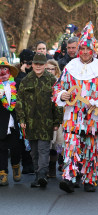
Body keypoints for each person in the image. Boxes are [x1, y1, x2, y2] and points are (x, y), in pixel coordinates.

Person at [52, 21, 98, 193]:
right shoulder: (70, 67)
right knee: (71, 146)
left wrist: (97, 102)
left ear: (93, 50)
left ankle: (89, 179)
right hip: (72, 115)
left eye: (88, 49)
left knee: (91, 148)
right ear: (78, 50)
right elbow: (58, 87)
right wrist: (61, 95)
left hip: (92, 116)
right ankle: (69, 178)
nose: (85, 52)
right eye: (82, 49)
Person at [15, 53, 62, 188]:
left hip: (46, 121)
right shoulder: (26, 80)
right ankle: (37, 175)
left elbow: (57, 102)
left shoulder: (52, 80)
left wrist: (56, 121)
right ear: (33, 65)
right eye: (36, 64)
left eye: (41, 64)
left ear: (45, 65)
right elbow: (20, 102)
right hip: (30, 122)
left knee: (43, 149)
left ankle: (42, 174)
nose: (38, 66)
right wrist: (21, 119)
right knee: (34, 151)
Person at [0, 57, 23, 186]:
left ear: (9, 71)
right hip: (1, 121)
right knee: (1, 148)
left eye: (5, 69)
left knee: (15, 146)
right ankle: (2, 173)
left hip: (14, 120)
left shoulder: (17, 84)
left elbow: (23, 102)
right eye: (0, 70)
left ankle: (15, 166)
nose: (2, 72)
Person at [15, 49, 35, 174]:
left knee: (33, 139)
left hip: (34, 111)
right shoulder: (16, 72)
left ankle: (34, 163)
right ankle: (26, 164)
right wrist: (22, 73)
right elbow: (18, 87)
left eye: (30, 62)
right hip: (21, 111)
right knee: (22, 139)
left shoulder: (36, 72)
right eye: (25, 62)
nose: (28, 65)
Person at [45, 59, 64, 178]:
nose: (50, 71)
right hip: (45, 117)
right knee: (46, 143)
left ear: (56, 70)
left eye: (52, 69)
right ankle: (45, 167)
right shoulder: (41, 81)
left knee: (57, 144)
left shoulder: (60, 82)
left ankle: (53, 164)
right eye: (47, 69)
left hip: (58, 117)